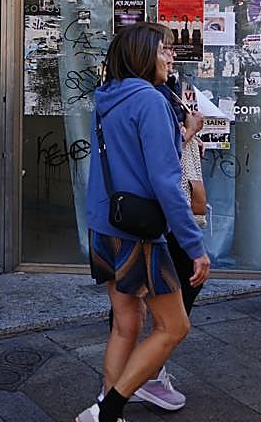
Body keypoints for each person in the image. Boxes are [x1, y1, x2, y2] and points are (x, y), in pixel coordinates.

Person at [78, 23, 210, 422]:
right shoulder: (151, 102)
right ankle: (107, 410)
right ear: (141, 55)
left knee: (125, 324)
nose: (171, 56)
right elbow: (167, 182)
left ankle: (108, 409)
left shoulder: (108, 98)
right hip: (139, 233)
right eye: (163, 50)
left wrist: (182, 133)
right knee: (173, 326)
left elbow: (128, 160)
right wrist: (194, 246)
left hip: (106, 226)